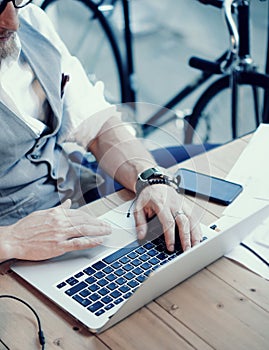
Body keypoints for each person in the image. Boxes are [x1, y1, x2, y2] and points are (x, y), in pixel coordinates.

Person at [0, 1, 204, 263]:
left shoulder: (32, 23)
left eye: (17, 0)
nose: (13, 21)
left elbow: (98, 126)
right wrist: (12, 240)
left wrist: (151, 179)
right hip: (17, 258)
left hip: (83, 204)